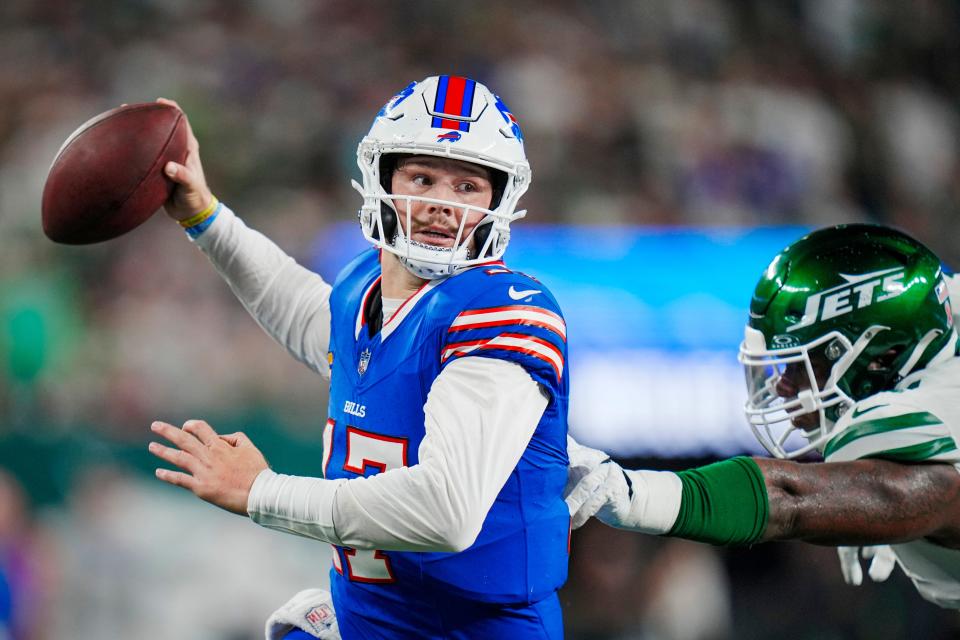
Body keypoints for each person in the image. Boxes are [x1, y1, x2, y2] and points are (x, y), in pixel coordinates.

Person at [148, 76, 571, 639]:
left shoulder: (503, 310)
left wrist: (261, 491)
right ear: (381, 181)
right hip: (374, 619)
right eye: (422, 178)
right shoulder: (363, 292)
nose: (442, 205)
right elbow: (301, 310)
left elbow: (447, 511)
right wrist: (204, 217)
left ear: (499, 201)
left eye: (466, 186)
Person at [565, 223, 960, 609]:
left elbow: (791, 499)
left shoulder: (934, 417)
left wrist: (633, 496)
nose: (783, 386)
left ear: (882, 357)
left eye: (803, 364)